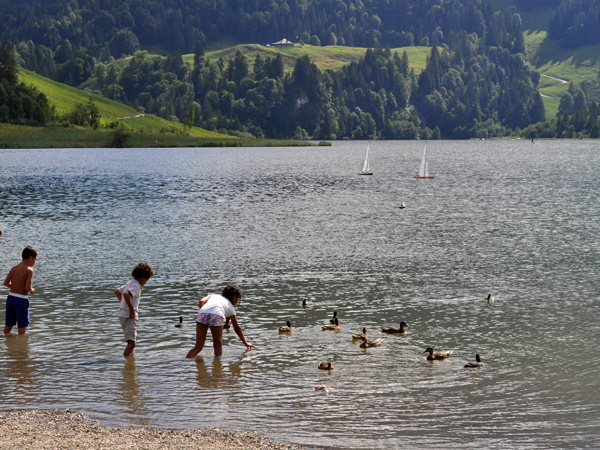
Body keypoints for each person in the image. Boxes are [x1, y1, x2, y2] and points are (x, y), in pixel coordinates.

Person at [186, 284, 256, 358]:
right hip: (217, 315)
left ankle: (185, 361)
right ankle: (217, 365)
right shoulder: (231, 308)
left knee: (198, 347)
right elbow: (237, 329)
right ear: (235, 297)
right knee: (217, 346)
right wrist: (245, 342)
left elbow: (201, 301)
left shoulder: (213, 296)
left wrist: (206, 314)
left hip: (202, 314)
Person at [114, 262, 154, 357]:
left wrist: (124, 304)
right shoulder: (136, 285)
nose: (146, 282)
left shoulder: (130, 282)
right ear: (144, 278)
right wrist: (131, 309)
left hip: (123, 314)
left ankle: (130, 362)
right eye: (147, 279)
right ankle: (125, 360)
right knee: (132, 343)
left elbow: (117, 292)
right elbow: (125, 294)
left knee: (131, 340)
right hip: (129, 315)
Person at [3, 246, 37, 335]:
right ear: (31, 258)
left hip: (11, 298)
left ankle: (5, 339)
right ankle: (21, 343)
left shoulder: (14, 268)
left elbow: (6, 283)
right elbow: (27, 288)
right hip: (21, 299)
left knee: (8, 325)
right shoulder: (29, 270)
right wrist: (32, 290)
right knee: (22, 325)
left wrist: (16, 286)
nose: (34, 262)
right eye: (35, 260)